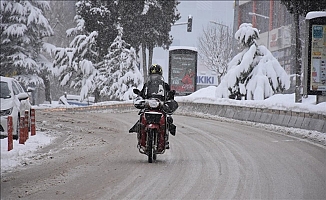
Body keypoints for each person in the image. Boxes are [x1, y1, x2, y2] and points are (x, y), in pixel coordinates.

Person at [129, 64, 178, 149]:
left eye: (157, 75)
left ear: (160, 75)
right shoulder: (147, 85)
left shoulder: (165, 85)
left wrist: (170, 98)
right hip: (149, 106)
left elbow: (169, 96)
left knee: (168, 119)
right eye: (153, 75)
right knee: (141, 118)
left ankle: (165, 139)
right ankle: (141, 138)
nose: (155, 77)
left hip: (160, 106)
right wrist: (140, 97)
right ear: (150, 76)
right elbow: (143, 94)